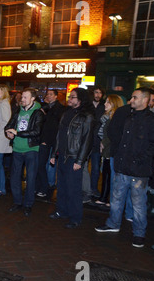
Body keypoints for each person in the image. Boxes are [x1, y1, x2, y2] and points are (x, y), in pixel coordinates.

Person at [95, 87, 154, 248]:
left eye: (134, 97)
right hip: (122, 166)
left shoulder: (152, 120)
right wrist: (118, 154)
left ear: (145, 100)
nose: (131, 100)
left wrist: (139, 159)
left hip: (138, 170)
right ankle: (113, 224)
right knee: (116, 199)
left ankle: (139, 234)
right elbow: (117, 135)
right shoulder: (129, 116)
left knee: (138, 204)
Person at [49, 88, 95, 229]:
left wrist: (80, 161)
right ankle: (61, 211)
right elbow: (59, 135)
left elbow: (87, 140)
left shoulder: (87, 116)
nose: (70, 99)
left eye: (73, 97)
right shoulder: (67, 113)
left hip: (74, 157)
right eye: (70, 96)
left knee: (73, 189)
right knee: (62, 186)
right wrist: (53, 154)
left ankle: (75, 217)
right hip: (62, 155)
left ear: (80, 99)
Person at [5, 88, 45, 216]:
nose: (22, 99)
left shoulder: (38, 113)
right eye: (22, 97)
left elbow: (36, 132)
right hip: (17, 149)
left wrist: (18, 133)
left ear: (33, 98)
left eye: (25, 97)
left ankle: (28, 204)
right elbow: (8, 125)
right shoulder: (18, 111)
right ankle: (17, 202)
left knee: (31, 178)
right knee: (15, 177)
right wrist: (9, 132)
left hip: (31, 149)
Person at [94, 94, 124, 207]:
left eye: (108, 102)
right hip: (106, 149)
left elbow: (112, 135)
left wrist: (103, 143)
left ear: (114, 104)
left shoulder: (114, 118)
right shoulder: (106, 117)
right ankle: (105, 197)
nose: (105, 104)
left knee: (110, 175)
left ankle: (109, 198)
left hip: (111, 150)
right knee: (106, 174)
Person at [35, 89, 66, 198]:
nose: (48, 96)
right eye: (47, 94)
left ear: (56, 96)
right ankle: (42, 186)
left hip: (52, 140)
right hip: (44, 139)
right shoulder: (44, 107)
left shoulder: (60, 108)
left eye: (51, 94)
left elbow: (55, 125)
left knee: (50, 163)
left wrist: (46, 114)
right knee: (41, 164)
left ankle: (47, 186)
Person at [87, 86, 106, 199]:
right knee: (82, 166)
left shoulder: (103, 107)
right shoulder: (88, 106)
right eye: (96, 92)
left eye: (100, 93)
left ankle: (93, 188)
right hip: (87, 140)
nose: (98, 95)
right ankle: (84, 187)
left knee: (95, 167)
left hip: (97, 141)